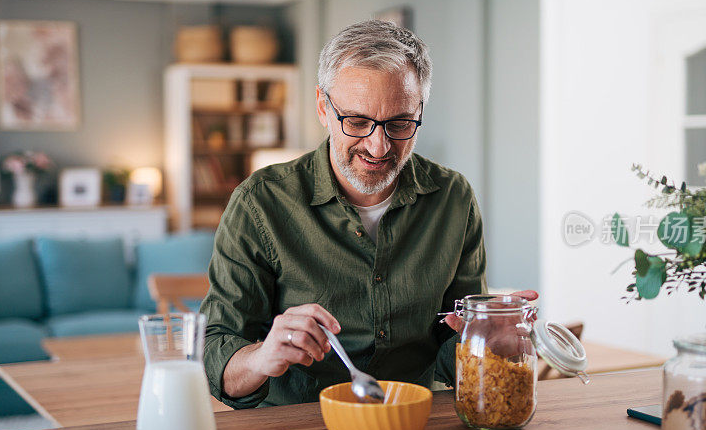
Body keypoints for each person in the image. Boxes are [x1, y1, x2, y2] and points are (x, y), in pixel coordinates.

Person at [201, 20, 537, 408]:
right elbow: (217, 359)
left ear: (420, 111)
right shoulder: (259, 203)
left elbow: (451, 354)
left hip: (416, 425)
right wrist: (262, 357)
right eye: (357, 122)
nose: (378, 147)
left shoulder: (453, 199)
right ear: (323, 107)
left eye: (400, 124)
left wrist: (486, 342)